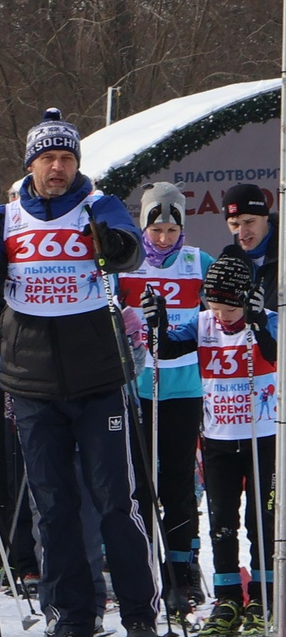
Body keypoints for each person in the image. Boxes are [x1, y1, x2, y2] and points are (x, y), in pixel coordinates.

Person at [0, 108, 159, 637]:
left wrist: (113, 246)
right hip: (32, 382)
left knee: (116, 501)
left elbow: (130, 246)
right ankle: (71, 620)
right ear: (31, 165)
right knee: (54, 508)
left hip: (99, 378)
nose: (59, 168)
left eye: (66, 158)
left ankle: (139, 614)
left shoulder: (98, 205)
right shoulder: (7, 215)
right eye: (49, 159)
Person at [143, 244, 276, 637]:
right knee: (220, 521)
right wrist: (158, 323)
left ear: (247, 301)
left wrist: (254, 324)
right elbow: (165, 349)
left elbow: (275, 353)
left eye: (229, 310)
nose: (221, 317)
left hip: (262, 438)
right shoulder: (203, 324)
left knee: (262, 521)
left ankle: (265, 595)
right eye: (214, 307)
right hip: (218, 438)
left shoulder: (269, 321)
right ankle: (227, 595)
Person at [122, 182, 207, 610]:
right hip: (139, 385)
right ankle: (142, 567)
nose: (163, 238)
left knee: (177, 479)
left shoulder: (197, 262)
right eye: (156, 229)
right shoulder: (129, 263)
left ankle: (181, 568)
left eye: (171, 231)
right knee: (138, 479)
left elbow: (218, 313)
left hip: (184, 384)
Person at [224, 183, 277, 309]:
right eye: (234, 224)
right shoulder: (230, 261)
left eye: (249, 222)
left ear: (265, 216)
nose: (242, 233)